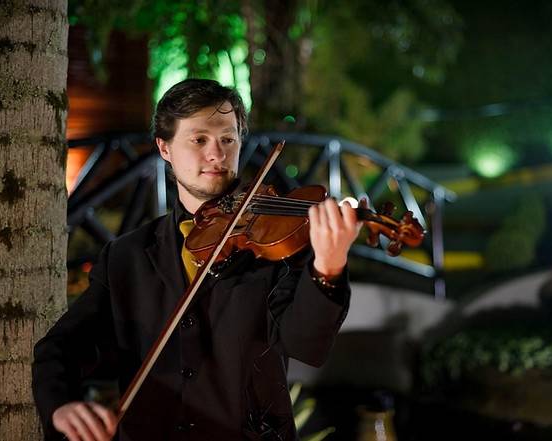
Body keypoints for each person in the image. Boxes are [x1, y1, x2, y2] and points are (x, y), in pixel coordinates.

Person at [32, 79, 360, 441]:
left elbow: (306, 345)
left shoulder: (274, 244)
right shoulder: (126, 256)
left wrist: (328, 267)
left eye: (228, 139)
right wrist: (60, 405)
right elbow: (61, 348)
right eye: (199, 139)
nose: (217, 154)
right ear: (165, 148)